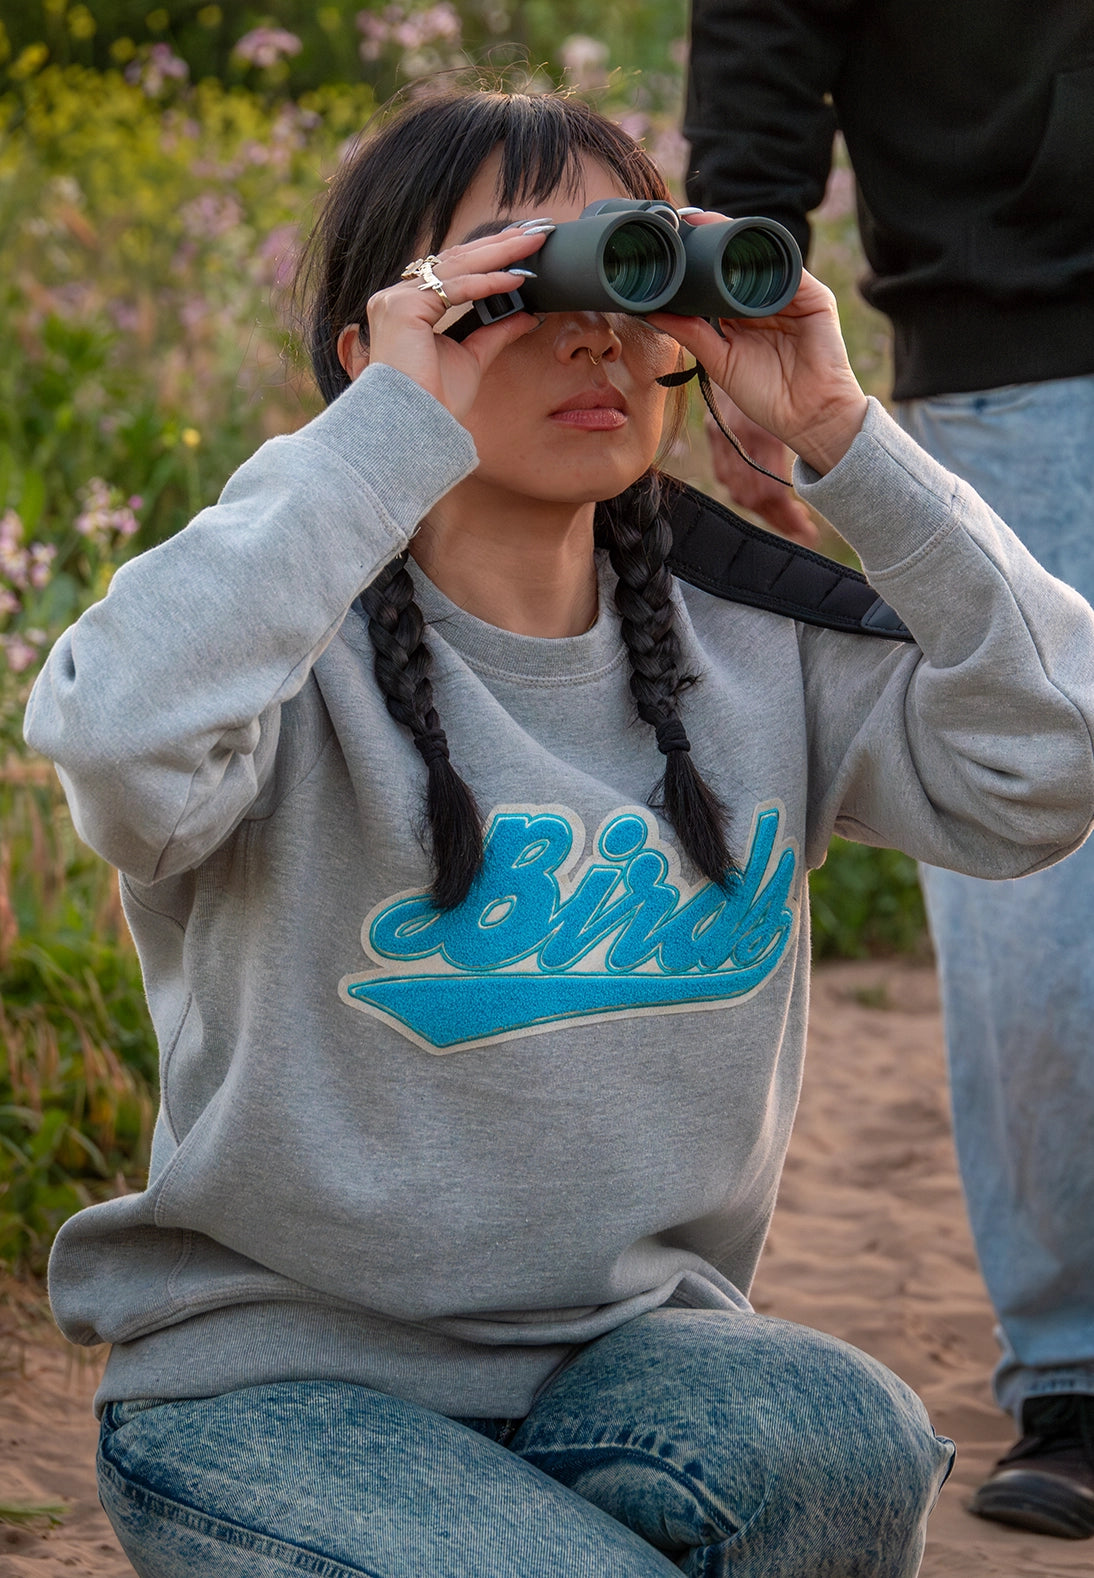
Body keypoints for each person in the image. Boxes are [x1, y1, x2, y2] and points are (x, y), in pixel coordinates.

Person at [23, 87, 1094, 1576]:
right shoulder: (280, 642)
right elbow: (112, 743)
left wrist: (846, 438)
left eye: (628, 269)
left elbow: (1053, 754)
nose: (592, 329)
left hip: (627, 1366)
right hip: (275, 1388)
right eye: (522, 283)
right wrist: (373, 442)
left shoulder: (750, 643)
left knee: (839, 1439)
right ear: (384, 347)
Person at [684, 0, 1094, 1539]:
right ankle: (1080, 1372)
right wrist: (737, 314)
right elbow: (764, 35)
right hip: (1019, 337)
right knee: (1041, 880)